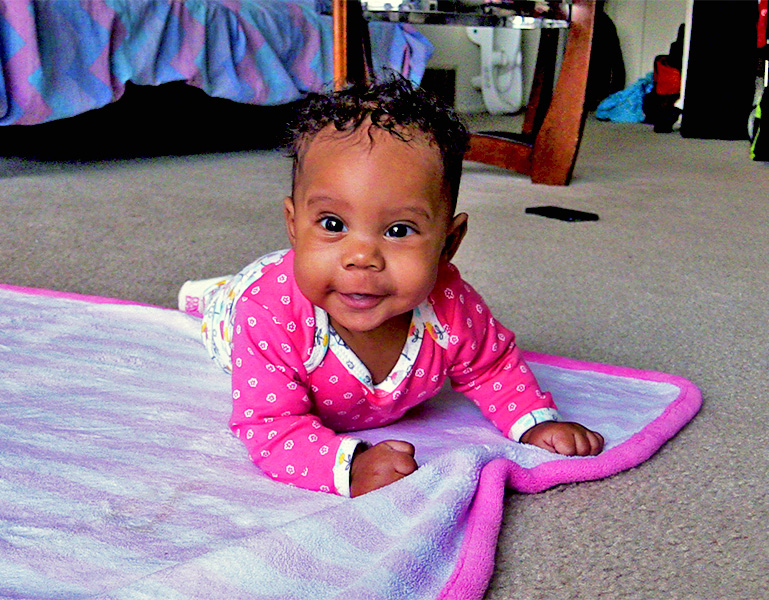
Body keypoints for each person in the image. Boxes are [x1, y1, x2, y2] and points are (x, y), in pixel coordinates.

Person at [179, 77, 604, 498]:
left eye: (399, 230)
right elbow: (269, 425)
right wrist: (350, 466)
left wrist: (535, 421)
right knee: (225, 301)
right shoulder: (267, 313)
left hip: (301, 279)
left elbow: (492, 368)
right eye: (332, 225)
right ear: (294, 226)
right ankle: (209, 294)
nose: (362, 256)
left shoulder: (451, 307)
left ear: (448, 244)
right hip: (242, 304)